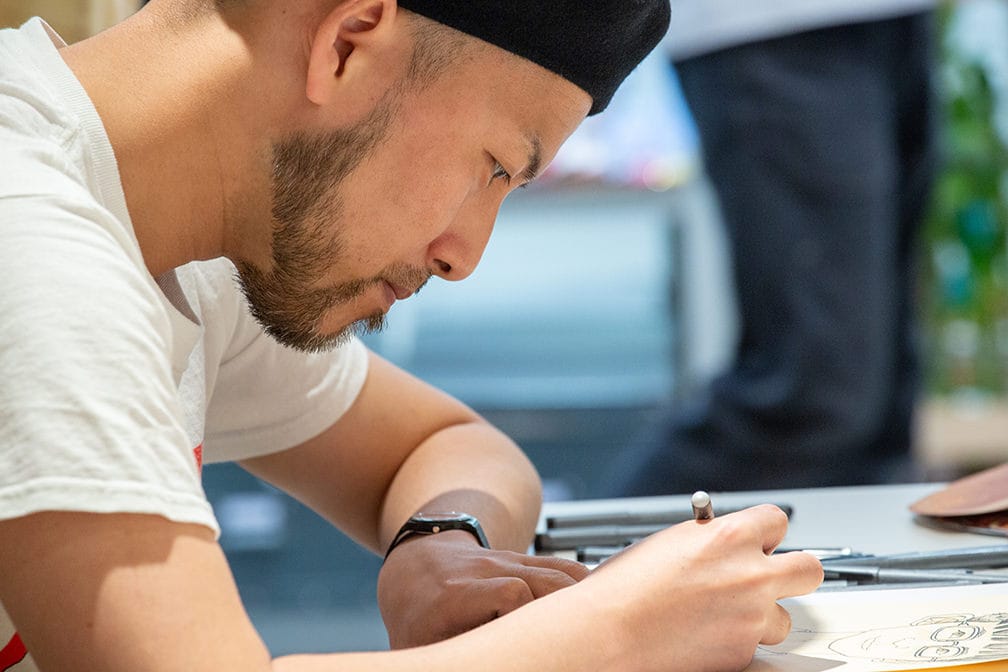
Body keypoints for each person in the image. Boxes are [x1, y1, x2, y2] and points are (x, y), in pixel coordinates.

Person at [0, 0, 824, 670]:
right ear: (348, 43)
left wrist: (439, 551)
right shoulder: (31, 236)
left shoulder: (180, 247)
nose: (465, 256)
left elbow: (443, 444)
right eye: (493, 166)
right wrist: (617, 632)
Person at [613, 0, 941, 495]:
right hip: (769, 25)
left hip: (895, 19)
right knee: (809, 397)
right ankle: (596, 548)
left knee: (882, 419)